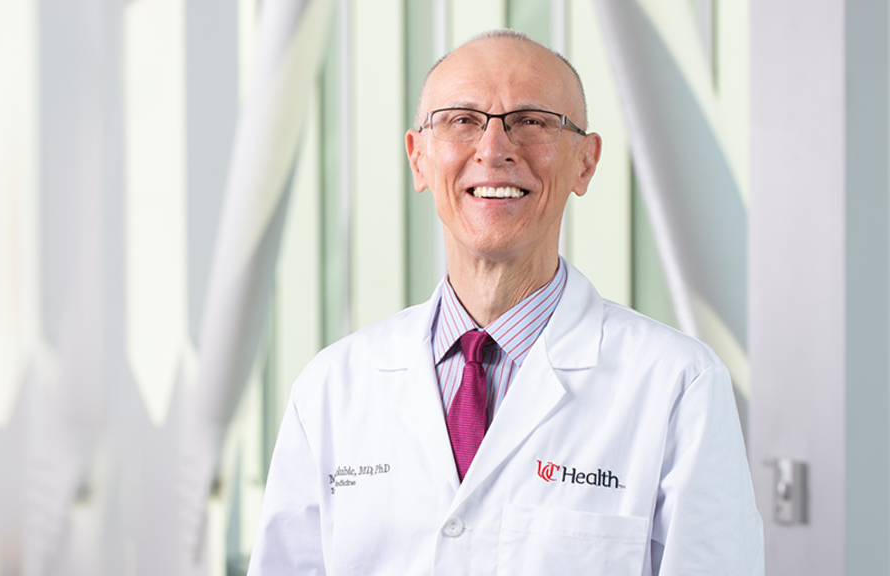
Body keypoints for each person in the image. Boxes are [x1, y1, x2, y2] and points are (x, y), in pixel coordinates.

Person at [247, 29, 764, 575]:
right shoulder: (331, 389)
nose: (494, 150)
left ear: (585, 162)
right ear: (418, 159)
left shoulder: (678, 384)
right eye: (462, 120)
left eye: (532, 121)